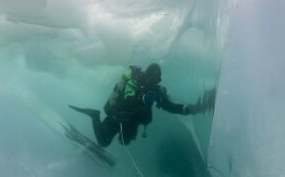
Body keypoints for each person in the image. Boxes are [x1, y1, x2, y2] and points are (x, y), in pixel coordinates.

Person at [70, 63, 200, 147]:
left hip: (132, 121)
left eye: (155, 80)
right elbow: (127, 101)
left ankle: (117, 132)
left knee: (124, 142)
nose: (152, 82)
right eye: (150, 78)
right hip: (117, 115)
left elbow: (168, 106)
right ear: (146, 75)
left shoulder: (155, 90)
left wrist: (185, 109)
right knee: (104, 142)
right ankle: (95, 116)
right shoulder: (134, 82)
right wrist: (142, 99)